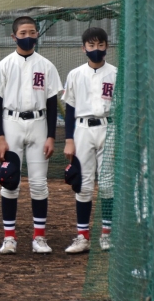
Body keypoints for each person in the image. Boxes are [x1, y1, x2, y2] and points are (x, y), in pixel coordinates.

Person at [0, 16, 63, 254]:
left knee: (39, 184)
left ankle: (39, 237)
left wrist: (51, 136)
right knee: (10, 182)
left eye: (32, 32)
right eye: (22, 33)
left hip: (39, 123)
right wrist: (0, 137)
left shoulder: (46, 65)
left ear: (37, 34)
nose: (28, 36)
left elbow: (51, 104)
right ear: (14, 37)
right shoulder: (4, 65)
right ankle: (9, 238)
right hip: (11, 123)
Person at [62, 27, 116, 253]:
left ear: (107, 46)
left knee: (107, 184)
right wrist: (69, 140)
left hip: (109, 127)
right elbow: (69, 110)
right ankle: (82, 237)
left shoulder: (116, 73)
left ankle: (107, 234)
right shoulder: (75, 74)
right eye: (91, 45)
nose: (96, 49)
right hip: (82, 129)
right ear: (83, 48)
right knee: (83, 185)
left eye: (100, 45)